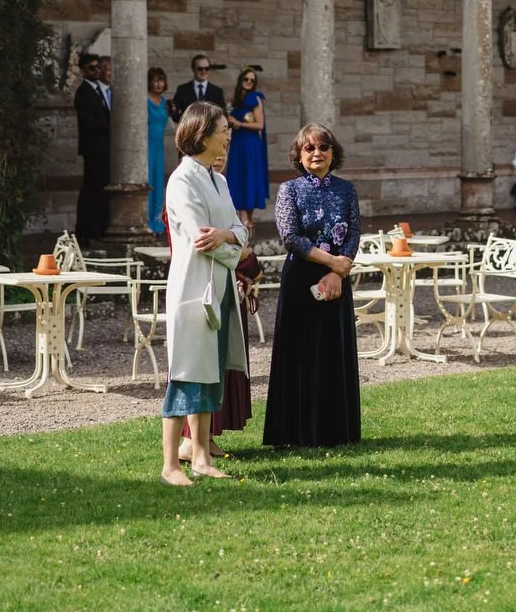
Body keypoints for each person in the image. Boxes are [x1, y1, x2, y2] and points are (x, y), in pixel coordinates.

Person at [160, 102, 249, 486]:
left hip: (221, 287)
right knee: (186, 371)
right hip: (193, 288)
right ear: (202, 132)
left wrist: (229, 236)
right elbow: (201, 239)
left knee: (212, 372)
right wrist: (230, 241)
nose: (229, 134)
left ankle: (200, 458)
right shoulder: (182, 181)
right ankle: (170, 466)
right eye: (223, 128)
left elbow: (238, 232)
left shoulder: (220, 181)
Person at [263, 124, 362, 448]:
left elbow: (353, 234)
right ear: (299, 155)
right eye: (309, 148)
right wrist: (330, 262)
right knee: (301, 354)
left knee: (333, 353)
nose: (316, 153)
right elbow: (291, 236)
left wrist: (337, 272)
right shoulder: (289, 190)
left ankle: (336, 431)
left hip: (335, 282)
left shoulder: (347, 190)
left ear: (334, 153)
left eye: (323, 147)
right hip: (301, 281)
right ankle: (295, 433)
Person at [73, 52, 111, 243]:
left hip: (103, 148)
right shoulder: (83, 92)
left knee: (100, 189)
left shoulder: (98, 90)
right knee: (92, 190)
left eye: (98, 67)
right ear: (83, 70)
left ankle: (98, 228)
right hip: (94, 149)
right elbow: (91, 122)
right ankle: (86, 231)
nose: (96, 71)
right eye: (91, 68)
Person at [225, 66, 269, 229]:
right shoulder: (236, 99)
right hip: (238, 143)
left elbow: (259, 124)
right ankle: (241, 221)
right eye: (246, 79)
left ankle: (246, 222)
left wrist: (239, 123)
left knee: (248, 178)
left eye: (252, 80)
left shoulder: (255, 98)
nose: (249, 82)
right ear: (241, 80)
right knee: (238, 178)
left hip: (250, 145)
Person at [146, 67, 170, 236]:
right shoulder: (144, 100)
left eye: (161, 80)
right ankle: (145, 222)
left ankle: (157, 223)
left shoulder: (164, 102)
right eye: (154, 80)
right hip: (146, 146)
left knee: (158, 183)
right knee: (147, 182)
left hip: (159, 146)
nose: (158, 84)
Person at [170, 53, 227, 123]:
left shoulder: (217, 92)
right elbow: (175, 114)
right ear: (193, 69)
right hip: (189, 132)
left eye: (206, 68)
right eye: (200, 68)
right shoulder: (182, 90)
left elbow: (222, 115)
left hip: (210, 133)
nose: (204, 71)